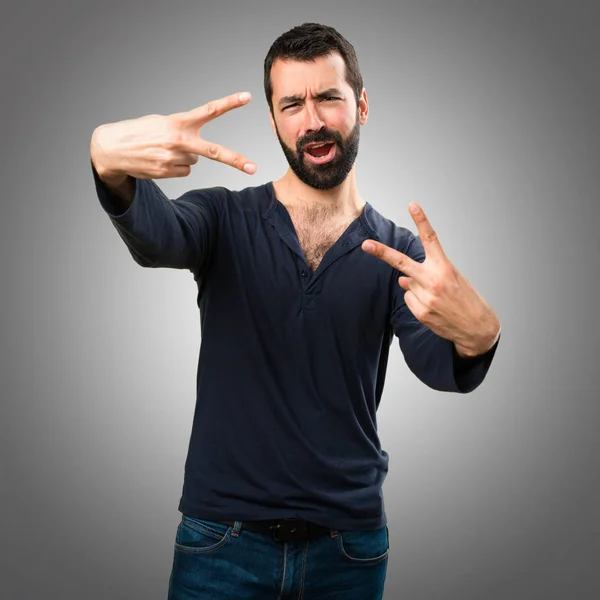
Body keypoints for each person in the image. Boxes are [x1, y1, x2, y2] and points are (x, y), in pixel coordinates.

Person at [89, 22, 500, 600]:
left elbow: (439, 364)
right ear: (275, 119)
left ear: (360, 104)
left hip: (348, 549)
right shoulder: (223, 219)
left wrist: (481, 335)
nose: (312, 121)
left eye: (328, 98)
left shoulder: (400, 252)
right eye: (292, 104)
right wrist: (108, 158)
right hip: (220, 545)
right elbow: (158, 236)